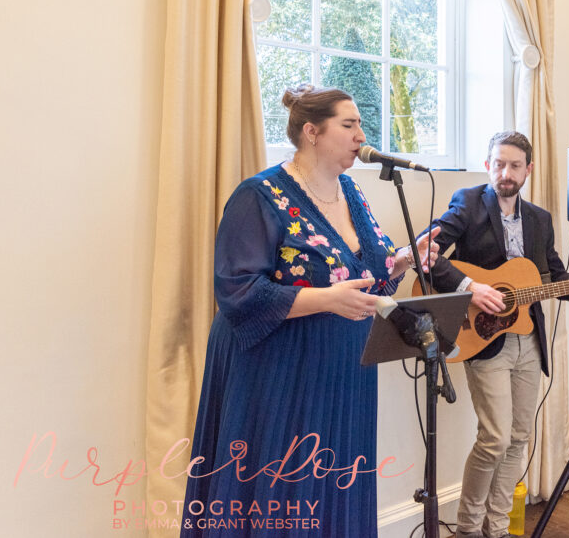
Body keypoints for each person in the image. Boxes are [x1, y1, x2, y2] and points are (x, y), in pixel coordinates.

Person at [180, 85, 439, 537]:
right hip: (277, 368)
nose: (361, 134)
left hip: (342, 368)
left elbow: (366, 276)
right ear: (311, 132)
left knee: (333, 487)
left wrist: (399, 261)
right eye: (349, 124)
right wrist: (326, 300)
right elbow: (237, 292)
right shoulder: (259, 195)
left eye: (360, 124)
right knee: (280, 490)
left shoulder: (351, 193)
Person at [426, 131, 569, 538]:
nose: (506, 173)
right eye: (499, 163)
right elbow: (428, 257)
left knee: (519, 437)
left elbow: (554, 276)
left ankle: (496, 530)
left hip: (528, 340)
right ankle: (467, 529)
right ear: (487, 164)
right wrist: (472, 288)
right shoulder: (467, 203)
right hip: (482, 336)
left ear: (528, 170)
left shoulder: (539, 219)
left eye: (515, 165)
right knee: (494, 438)